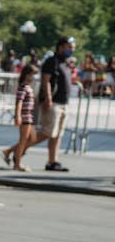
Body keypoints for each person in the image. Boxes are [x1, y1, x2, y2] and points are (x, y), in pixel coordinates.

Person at [37, 36, 75, 172]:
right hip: (53, 102)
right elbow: (45, 80)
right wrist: (48, 98)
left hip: (63, 102)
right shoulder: (52, 61)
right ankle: (17, 150)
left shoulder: (65, 62)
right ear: (61, 47)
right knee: (47, 132)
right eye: (69, 47)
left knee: (57, 134)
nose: (72, 50)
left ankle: (52, 161)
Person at [2, 63, 41, 171]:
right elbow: (19, 102)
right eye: (33, 74)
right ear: (27, 74)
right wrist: (18, 116)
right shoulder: (23, 87)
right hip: (25, 116)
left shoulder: (28, 87)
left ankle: (8, 151)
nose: (34, 77)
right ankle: (17, 164)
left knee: (33, 139)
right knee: (23, 140)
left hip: (29, 116)